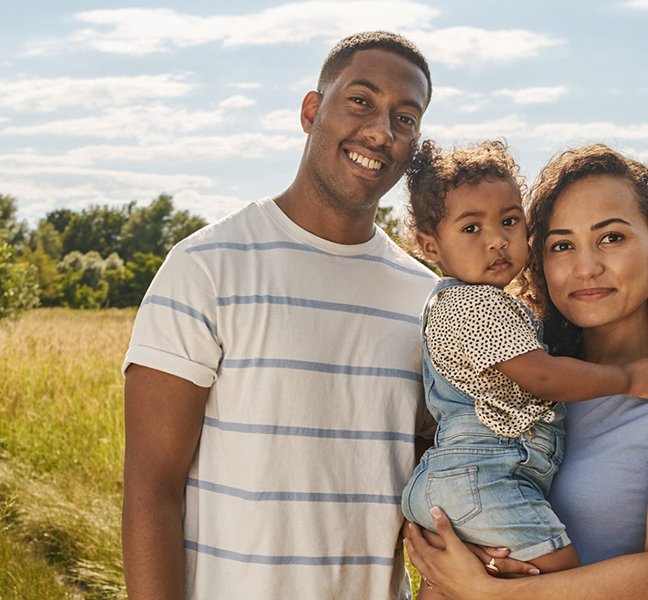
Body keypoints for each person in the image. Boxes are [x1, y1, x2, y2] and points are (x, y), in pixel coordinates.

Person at [403, 144, 648, 599]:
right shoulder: (518, 374)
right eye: (562, 245)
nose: (587, 267)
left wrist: (492, 593)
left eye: (611, 237)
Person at [121, 32, 437, 599]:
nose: (380, 131)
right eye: (360, 101)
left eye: (405, 118)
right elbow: (151, 490)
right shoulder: (207, 266)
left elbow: (433, 482)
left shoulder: (431, 301)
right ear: (312, 110)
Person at [401, 140, 648, 594]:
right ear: (430, 245)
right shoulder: (475, 305)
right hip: (482, 476)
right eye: (471, 228)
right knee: (564, 578)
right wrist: (627, 378)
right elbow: (543, 376)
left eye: (509, 221)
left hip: (463, 481)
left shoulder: (472, 304)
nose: (496, 240)